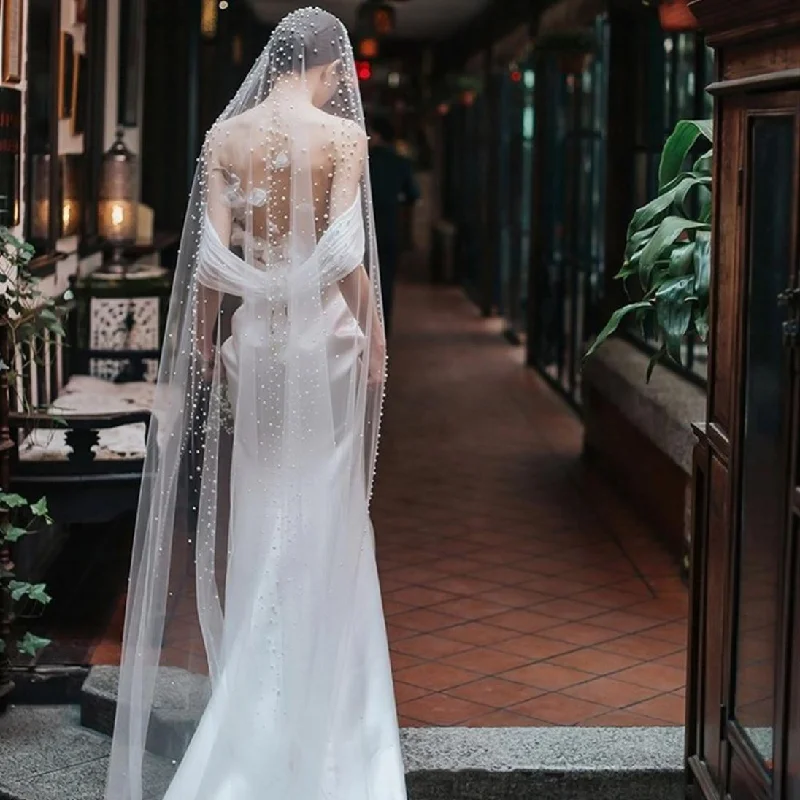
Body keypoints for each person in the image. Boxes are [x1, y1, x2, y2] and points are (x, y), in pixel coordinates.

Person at [104, 9, 405, 800]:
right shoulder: (341, 140)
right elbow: (341, 252)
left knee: (263, 495)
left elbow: (209, 259)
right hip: (322, 342)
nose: (342, 82)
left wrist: (202, 341)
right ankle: (325, 710)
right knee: (329, 506)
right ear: (326, 67)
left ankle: (254, 698)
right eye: (339, 71)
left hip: (259, 345)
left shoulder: (225, 138)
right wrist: (374, 337)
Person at [367, 116, 419, 334]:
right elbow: (413, 194)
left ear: (376, 134)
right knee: (385, 280)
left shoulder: (362, 160)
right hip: (389, 227)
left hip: (362, 228)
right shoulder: (400, 162)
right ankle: (382, 328)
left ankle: (363, 328)